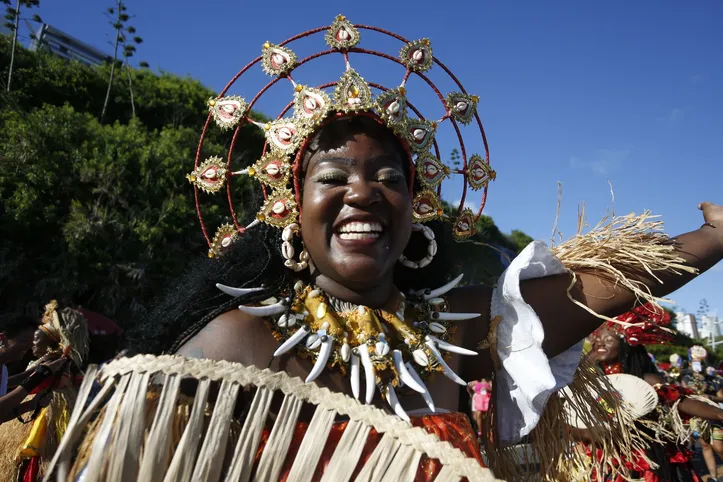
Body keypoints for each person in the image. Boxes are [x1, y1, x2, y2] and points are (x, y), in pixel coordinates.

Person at [46, 16, 723, 482]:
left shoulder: (454, 329)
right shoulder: (234, 343)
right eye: (333, 178)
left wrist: (713, 236)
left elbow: (588, 290)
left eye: (388, 179)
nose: (363, 193)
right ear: (289, 205)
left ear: (416, 207)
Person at [587, 306, 723, 482]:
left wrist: (717, 413)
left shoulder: (645, 379)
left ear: (626, 345)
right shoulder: (587, 383)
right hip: (607, 462)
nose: (600, 343)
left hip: (646, 461)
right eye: (597, 339)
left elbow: (680, 401)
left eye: (608, 339)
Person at [0, 301, 88, 481]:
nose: (29, 347)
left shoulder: (4, 370)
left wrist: (32, 404)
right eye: (25, 341)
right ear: (3, 339)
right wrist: (35, 378)